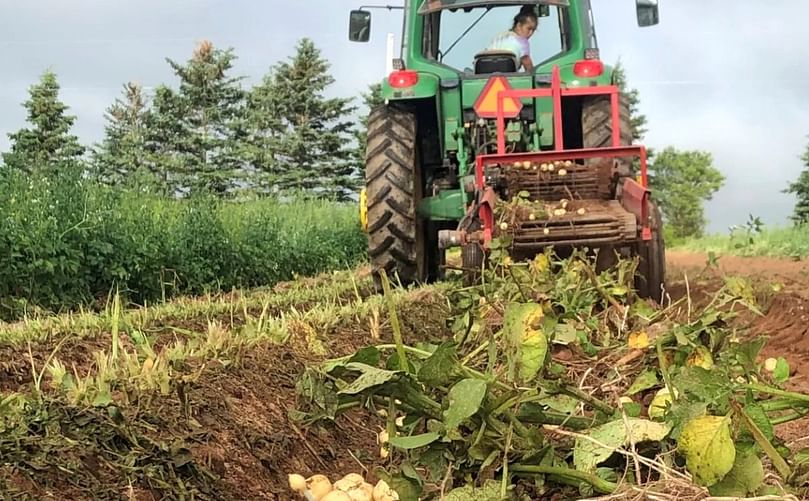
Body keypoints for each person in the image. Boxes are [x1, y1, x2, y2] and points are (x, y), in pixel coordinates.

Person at [486, 5, 538, 72]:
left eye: (533, 30)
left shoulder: (499, 37)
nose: (531, 33)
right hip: (509, 75)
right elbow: (528, 65)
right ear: (519, 25)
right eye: (529, 29)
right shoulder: (523, 42)